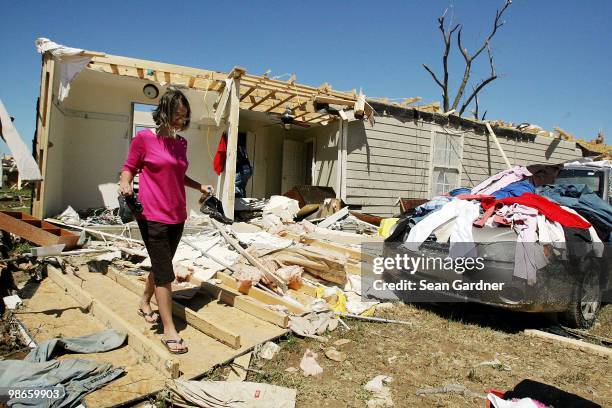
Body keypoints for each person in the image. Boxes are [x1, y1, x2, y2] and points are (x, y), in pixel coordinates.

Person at [119, 89, 212, 354]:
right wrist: (125, 184)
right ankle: (169, 330)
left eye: (184, 117)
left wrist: (199, 186)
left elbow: (179, 174)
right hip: (152, 215)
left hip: (177, 215)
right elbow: (129, 168)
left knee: (162, 265)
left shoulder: (181, 143)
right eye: (176, 115)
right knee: (164, 272)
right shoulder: (144, 139)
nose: (180, 121)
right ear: (164, 112)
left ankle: (144, 302)